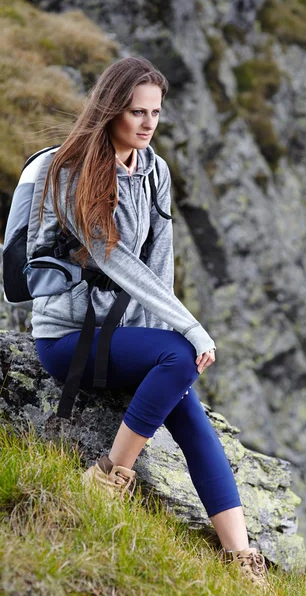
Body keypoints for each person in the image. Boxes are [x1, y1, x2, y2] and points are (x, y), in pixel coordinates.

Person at [32, 56, 270, 587]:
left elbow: (159, 269)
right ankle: (109, 474)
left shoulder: (154, 169)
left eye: (155, 113)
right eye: (135, 112)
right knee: (181, 356)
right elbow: (119, 263)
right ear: (110, 111)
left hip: (122, 337)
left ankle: (241, 561)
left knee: (188, 408)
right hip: (67, 340)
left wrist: (167, 331)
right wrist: (188, 331)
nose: (146, 123)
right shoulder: (73, 173)